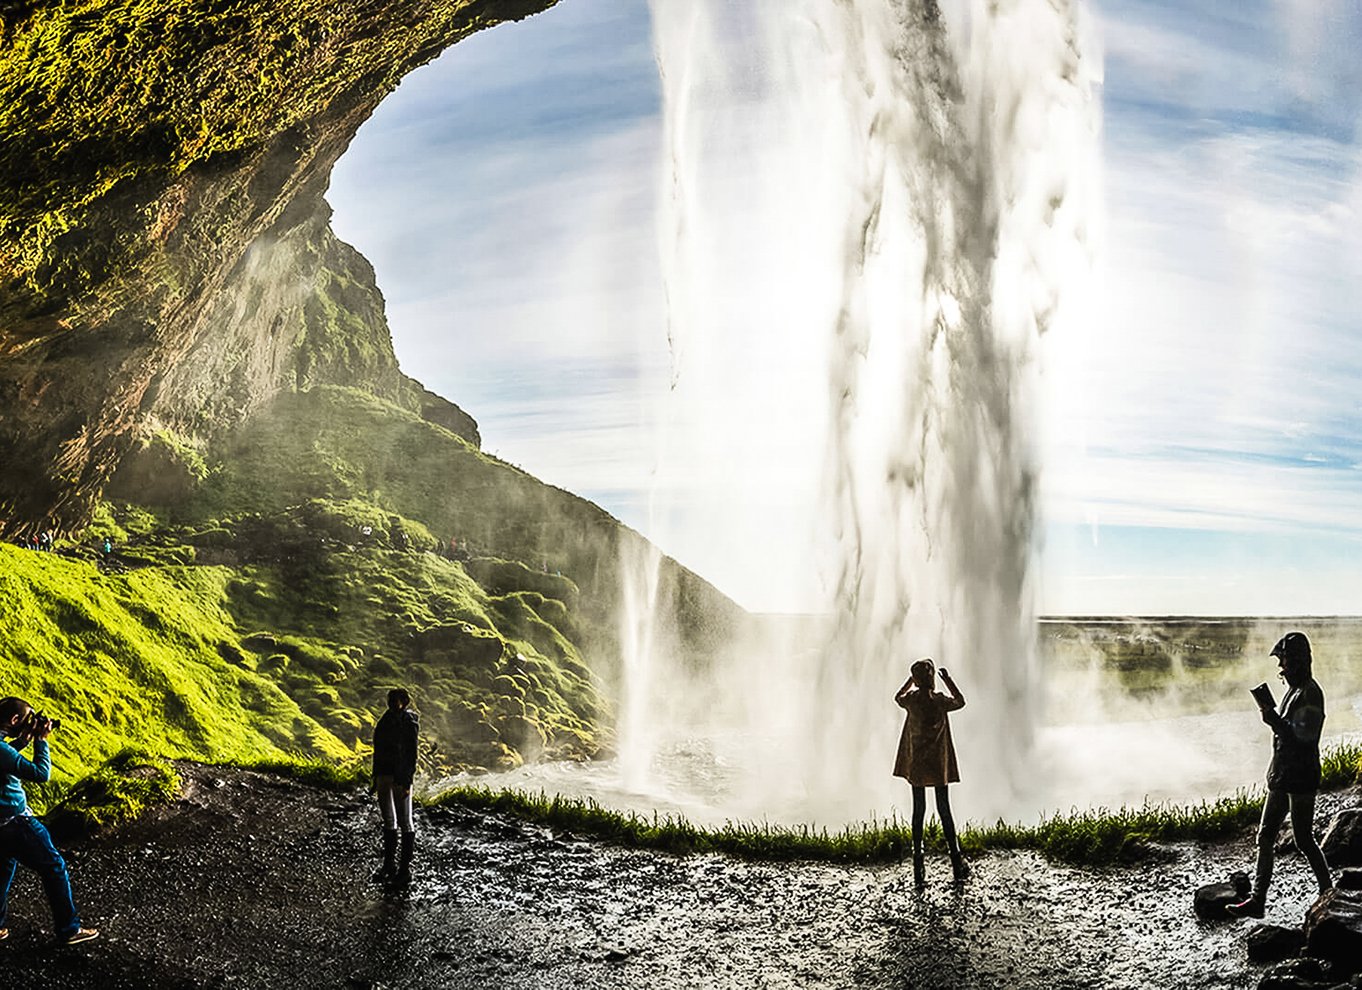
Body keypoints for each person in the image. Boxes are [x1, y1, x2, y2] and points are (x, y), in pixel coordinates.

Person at [1228, 632, 1333, 917]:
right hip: (1282, 775)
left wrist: (1272, 719)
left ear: (1297, 661)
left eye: (1284, 661)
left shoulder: (1310, 692)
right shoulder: (1295, 690)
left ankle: (1328, 892)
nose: (1281, 668)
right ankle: (1258, 900)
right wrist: (1275, 719)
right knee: (1265, 835)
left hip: (1300, 778)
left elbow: (1304, 738)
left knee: (1303, 839)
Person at [0, 697, 98, 944]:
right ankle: (69, 929)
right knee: (54, 866)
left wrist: (23, 740)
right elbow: (41, 774)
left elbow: (7, 755)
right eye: (26, 718)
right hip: (15, 821)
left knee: (2, 873)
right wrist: (41, 742)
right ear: (14, 720)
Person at [893, 659, 969, 885]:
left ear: (916, 680)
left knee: (919, 811)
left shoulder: (912, 701)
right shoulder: (939, 701)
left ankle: (918, 862)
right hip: (938, 763)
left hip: (917, 763)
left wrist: (911, 683)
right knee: (944, 810)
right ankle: (956, 861)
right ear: (933, 678)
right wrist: (949, 681)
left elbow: (898, 697)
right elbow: (961, 702)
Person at [371, 688, 419, 884]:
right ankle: (389, 865)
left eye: (396, 700)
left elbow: (411, 754)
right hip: (384, 774)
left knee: (405, 821)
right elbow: (378, 750)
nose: (392, 703)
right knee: (389, 820)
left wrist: (407, 780)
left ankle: (404, 869)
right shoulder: (384, 722)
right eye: (390, 700)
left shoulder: (409, 723)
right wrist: (375, 778)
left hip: (399, 776)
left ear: (404, 702)